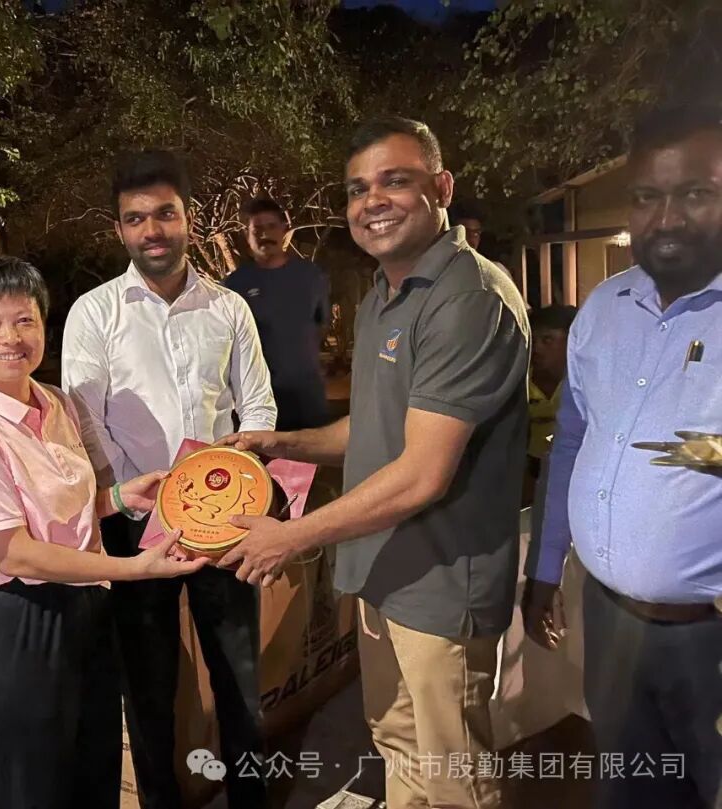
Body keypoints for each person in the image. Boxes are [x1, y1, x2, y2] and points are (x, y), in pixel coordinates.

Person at [218, 117, 529, 809]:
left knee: (454, 776)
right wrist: (280, 443)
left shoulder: (467, 298)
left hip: (440, 584)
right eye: (358, 188)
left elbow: (422, 472)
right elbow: (376, 427)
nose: (372, 201)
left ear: (441, 187)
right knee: (397, 743)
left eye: (396, 180)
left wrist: (290, 536)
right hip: (382, 571)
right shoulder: (385, 295)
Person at [0, 256, 206, 807]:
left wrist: (120, 498)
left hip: (86, 612)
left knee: (94, 774)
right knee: (34, 790)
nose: (11, 338)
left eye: (25, 320)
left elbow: (58, 513)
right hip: (19, 623)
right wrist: (133, 569)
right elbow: (15, 553)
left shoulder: (54, 402)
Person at [62, 150, 277, 808]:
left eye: (164, 214)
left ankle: (250, 801)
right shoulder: (95, 313)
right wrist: (132, 499)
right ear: (119, 229)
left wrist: (245, 486)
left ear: (188, 218)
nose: (151, 230)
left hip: (224, 523)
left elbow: (258, 407)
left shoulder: (228, 308)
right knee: (149, 685)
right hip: (135, 529)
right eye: (136, 219)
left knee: (239, 677)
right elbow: (83, 421)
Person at [523, 105, 722, 809]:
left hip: (708, 639)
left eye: (694, 193)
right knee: (630, 790)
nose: (666, 217)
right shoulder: (603, 309)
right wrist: (544, 567)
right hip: (610, 621)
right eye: (646, 196)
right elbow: (573, 443)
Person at [224, 197, 331, 430]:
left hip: (308, 398)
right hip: (257, 402)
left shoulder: (311, 277)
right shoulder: (234, 287)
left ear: (284, 229)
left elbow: (321, 325)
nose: (265, 234)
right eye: (257, 229)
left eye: (271, 226)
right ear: (247, 235)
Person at [524, 305, 576, 502]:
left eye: (547, 340)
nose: (536, 349)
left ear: (572, 340)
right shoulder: (519, 381)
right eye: (533, 340)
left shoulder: (584, 383)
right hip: (528, 471)